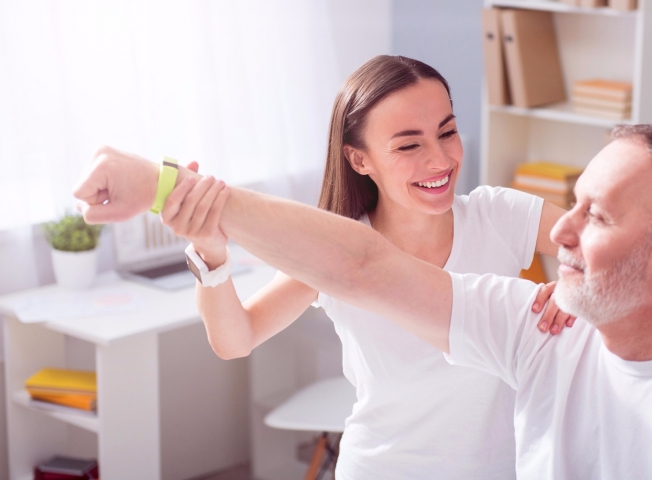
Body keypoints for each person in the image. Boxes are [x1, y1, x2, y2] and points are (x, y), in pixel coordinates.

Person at [75, 123, 652, 478]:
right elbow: (361, 266)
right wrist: (164, 186)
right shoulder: (539, 330)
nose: (560, 227)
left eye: (599, 216)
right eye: (574, 203)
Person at [76, 56, 575, 479]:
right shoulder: (334, 255)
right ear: (359, 160)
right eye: (408, 145)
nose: (440, 159)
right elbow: (235, 339)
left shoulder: (501, 216)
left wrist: (574, 288)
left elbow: (598, 248)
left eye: (447, 131)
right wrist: (211, 253)